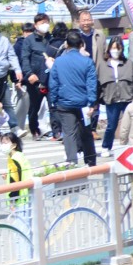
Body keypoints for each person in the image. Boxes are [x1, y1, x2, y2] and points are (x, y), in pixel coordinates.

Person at [49, 30, 99, 166]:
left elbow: (53, 83)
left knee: (69, 133)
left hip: (64, 103)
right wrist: (91, 103)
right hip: (83, 104)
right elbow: (92, 84)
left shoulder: (58, 62)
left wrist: (53, 100)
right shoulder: (87, 62)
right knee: (86, 132)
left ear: (66, 44)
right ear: (81, 44)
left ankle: (72, 162)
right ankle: (91, 161)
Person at [98, 34, 133, 150]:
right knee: (111, 125)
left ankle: (131, 145)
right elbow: (97, 83)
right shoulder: (103, 65)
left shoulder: (128, 63)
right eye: (113, 48)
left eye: (118, 48)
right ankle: (106, 146)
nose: (115, 51)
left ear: (122, 49)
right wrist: (100, 97)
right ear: (109, 49)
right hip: (111, 99)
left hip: (127, 98)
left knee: (130, 124)